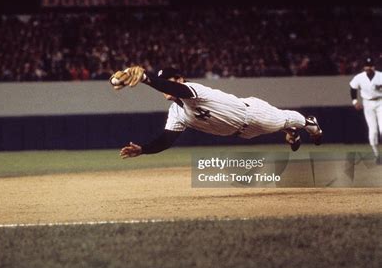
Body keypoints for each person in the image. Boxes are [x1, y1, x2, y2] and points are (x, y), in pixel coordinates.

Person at [110, 66, 323, 158]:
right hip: (242, 132)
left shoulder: (193, 89)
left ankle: (308, 123)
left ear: (181, 79)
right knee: (279, 125)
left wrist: (147, 79)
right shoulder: (176, 112)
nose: (167, 85)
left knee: (283, 119)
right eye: (163, 81)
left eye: (171, 79)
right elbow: (166, 140)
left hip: (253, 114)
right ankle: (292, 131)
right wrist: (143, 150)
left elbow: (176, 89)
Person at [349, 57, 382, 162]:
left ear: (373, 66)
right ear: (364, 67)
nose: (368, 67)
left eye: (370, 65)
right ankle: (377, 155)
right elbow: (353, 88)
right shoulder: (359, 77)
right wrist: (355, 101)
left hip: (380, 101)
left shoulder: (380, 76)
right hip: (367, 103)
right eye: (366, 66)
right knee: (373, 131)